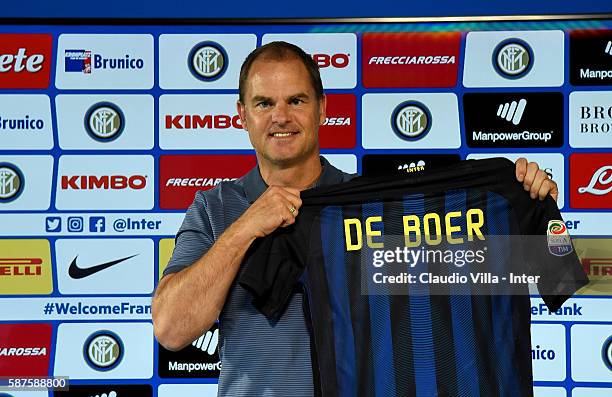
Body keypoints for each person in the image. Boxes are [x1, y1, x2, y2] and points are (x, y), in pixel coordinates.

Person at [152, 41, 558, 396]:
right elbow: (171, 330)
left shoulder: (371, 211)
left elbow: (511, 273)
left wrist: (528, 204)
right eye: (264, 103)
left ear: (323, 109)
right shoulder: (212, 207)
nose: (280, 117)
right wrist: (244, 229)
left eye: (296, 100)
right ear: (242, 114)